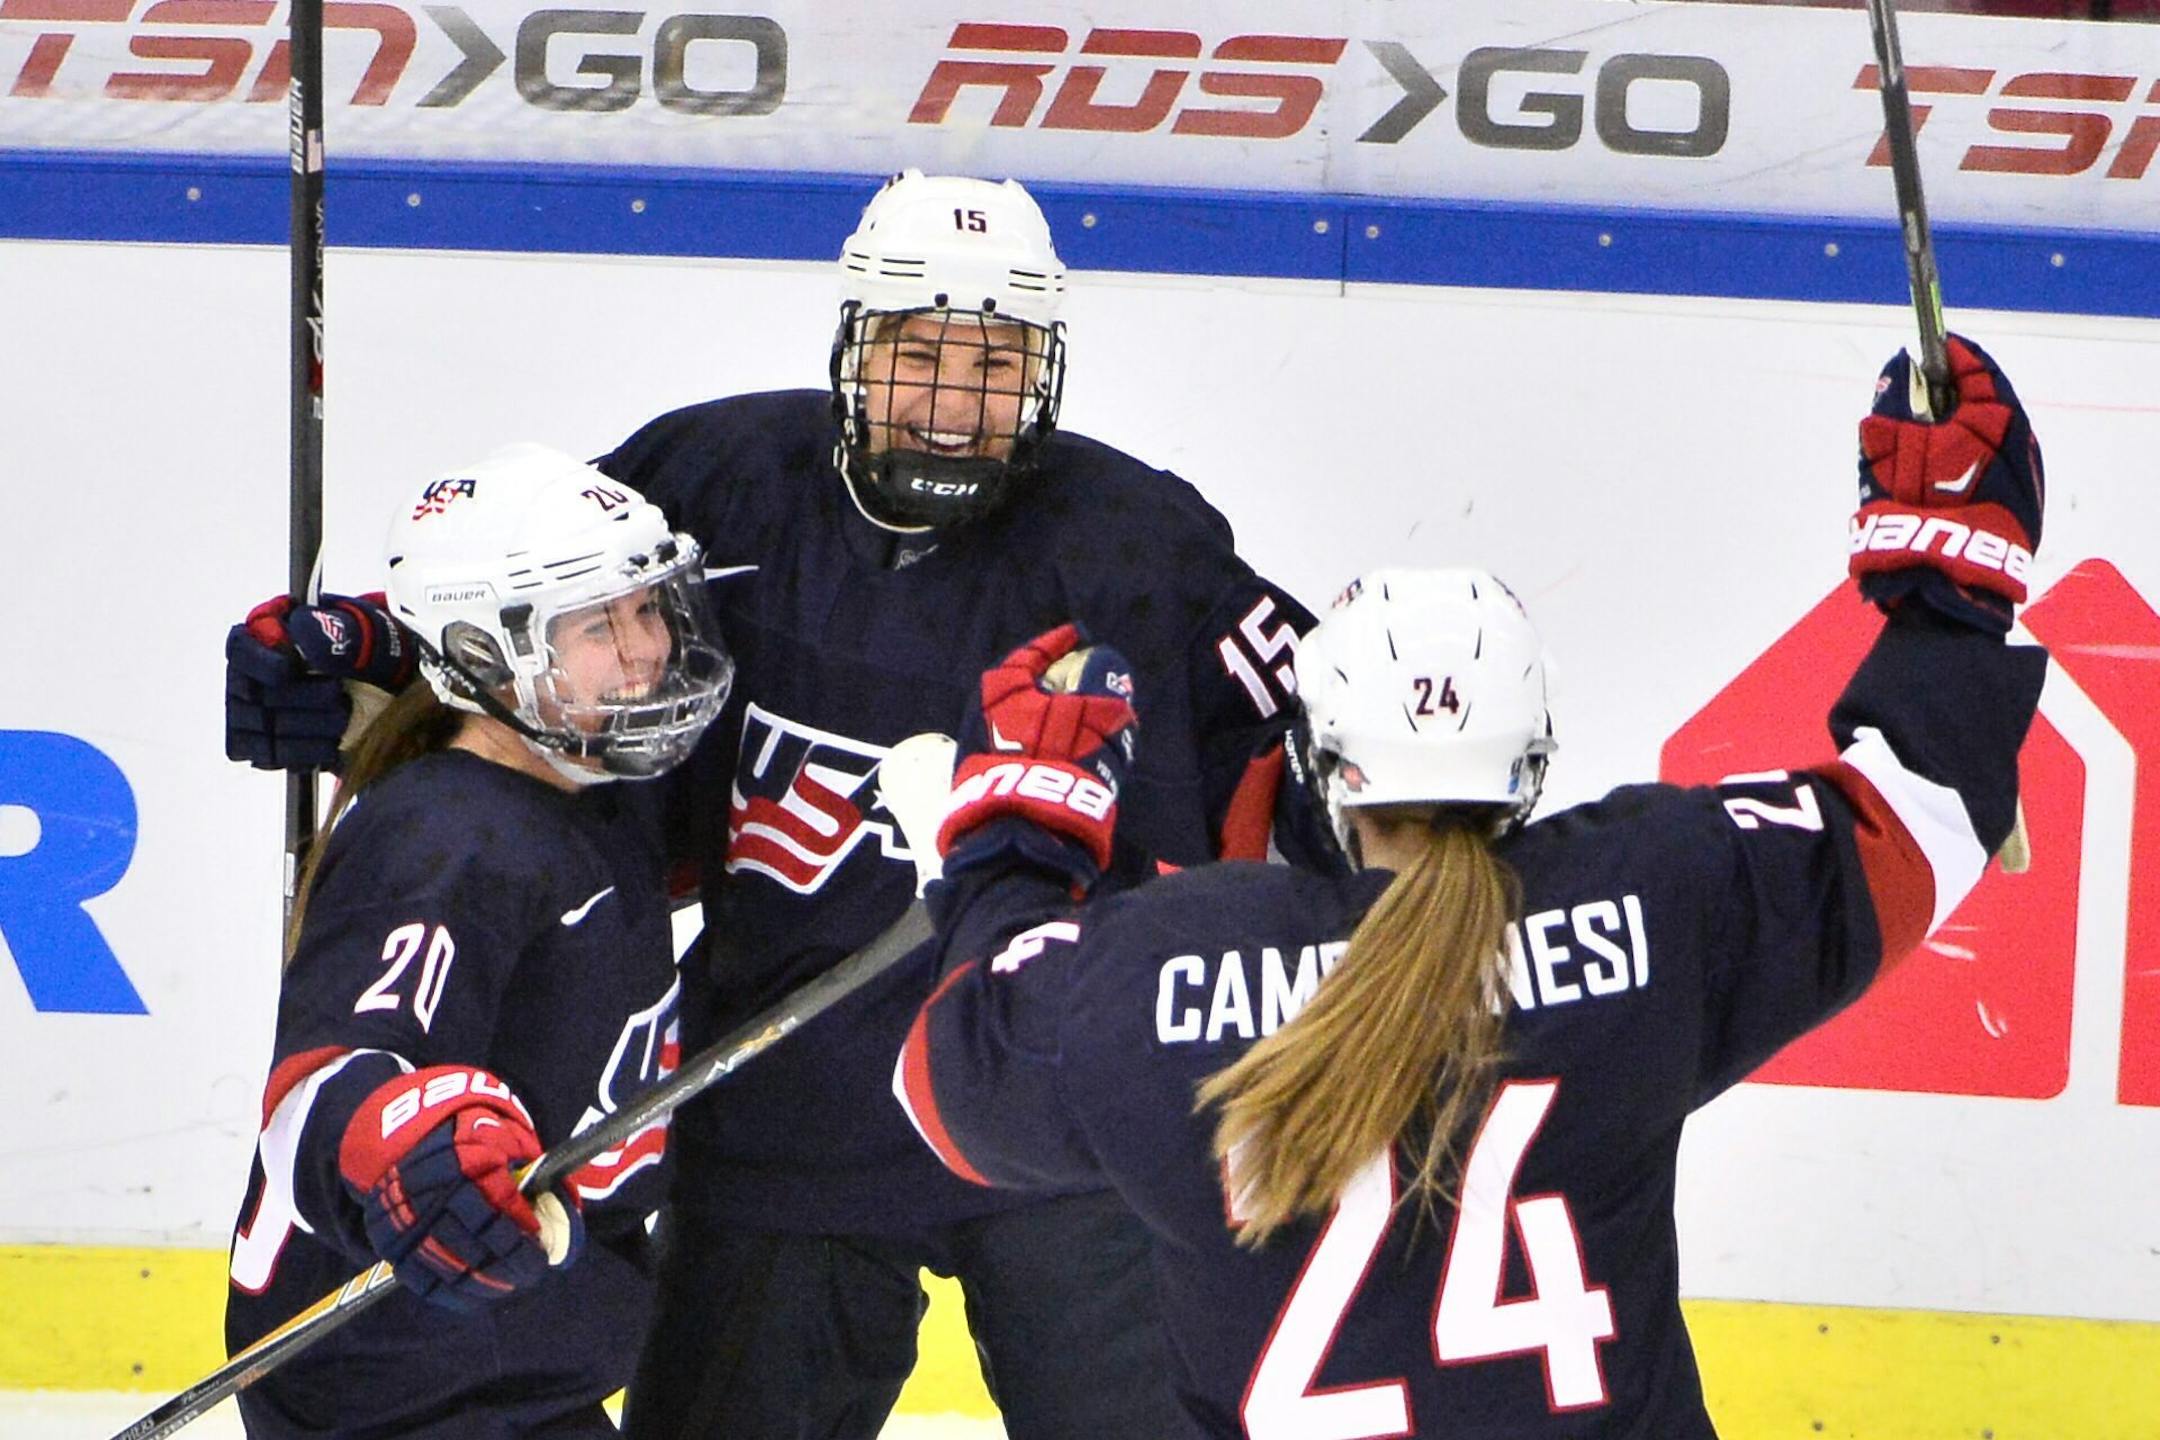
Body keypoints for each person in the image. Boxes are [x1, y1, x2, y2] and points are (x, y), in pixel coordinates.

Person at [224, 170, 1314, 1437]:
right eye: (918, 355)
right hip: (781, 1126)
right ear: (853, 345)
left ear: (1046, 370)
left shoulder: (1141, 544)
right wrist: (358, 651)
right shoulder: (719, 477)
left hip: (1056, 1126)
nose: (956, 406)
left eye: (996, 364)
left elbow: (1307, 753)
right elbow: (524, 605)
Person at [900, 336, 2049, 1436]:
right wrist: (1956, 571)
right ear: (1533, 761)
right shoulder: (1657, 897)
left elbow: (947, 1091)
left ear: (1317, 757)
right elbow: (1926, 812)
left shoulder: (1161, 972)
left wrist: (1019, 833)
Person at [224, 444, 733, 1438]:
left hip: (520, 1377)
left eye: (644, 609)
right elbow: (317, 1093)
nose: (642, 650)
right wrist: (398, 1146)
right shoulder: (448, 840)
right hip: (393, 1393)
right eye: (595, 626)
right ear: (486, 652)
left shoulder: (592, 783)